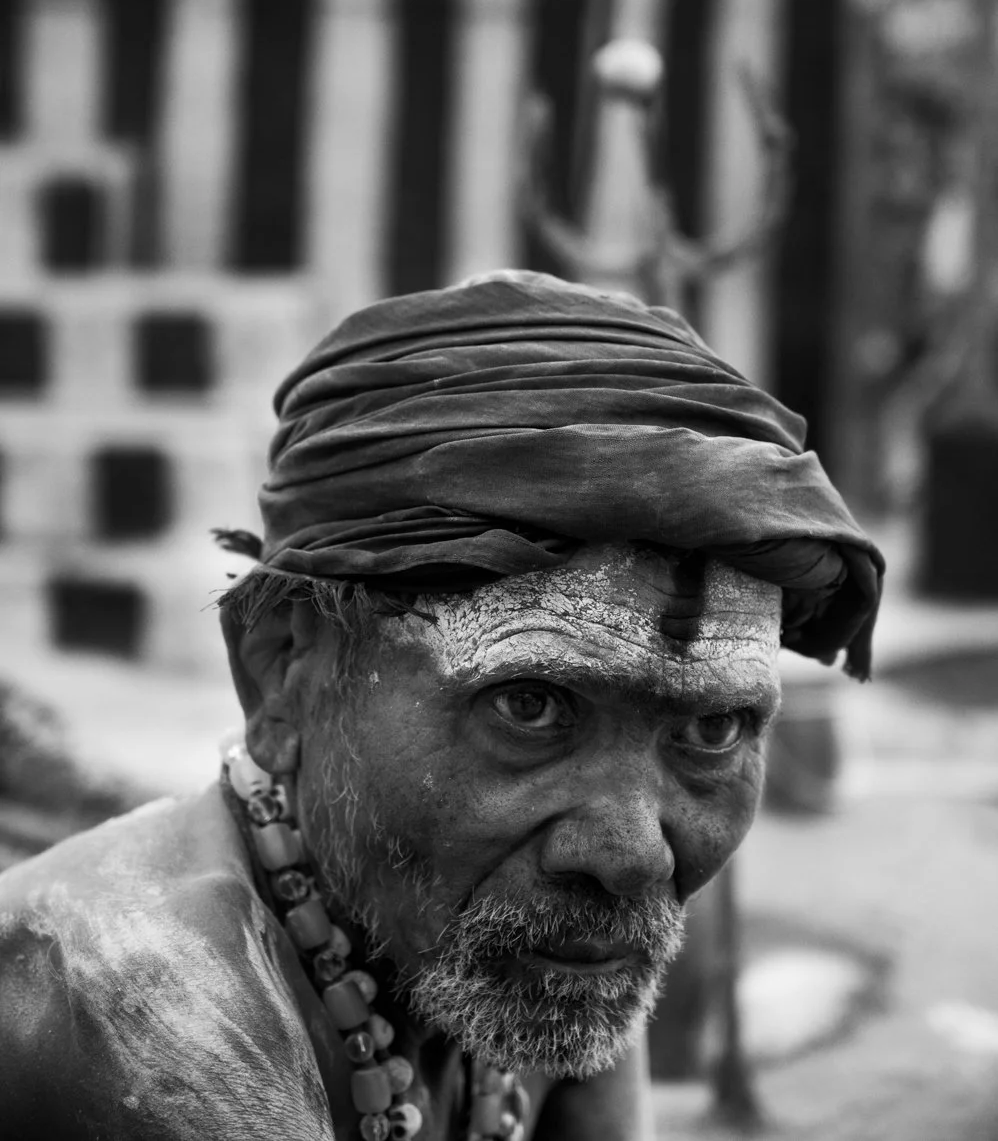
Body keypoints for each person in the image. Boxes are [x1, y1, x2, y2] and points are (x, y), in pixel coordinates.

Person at [0, 271, 883, 1141]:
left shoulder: (533, 934)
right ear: (281, 669)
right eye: (531, 706)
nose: (632, 853)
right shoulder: (144, 1015)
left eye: (711, 729)